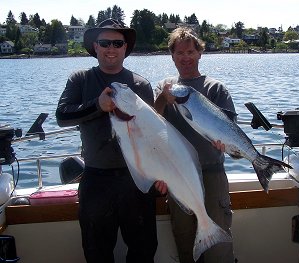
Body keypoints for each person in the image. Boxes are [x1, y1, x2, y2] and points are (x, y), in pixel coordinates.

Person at [56, 18, 166, 263]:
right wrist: (98, 105)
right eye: (105, 42)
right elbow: (62, 116)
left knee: (144, 250)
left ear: (125, 48)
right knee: (96, 252)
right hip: (96, 179)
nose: (111, 48)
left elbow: (154, 135)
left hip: (136, 180)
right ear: (95, 47)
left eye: (117, 42)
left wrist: (161, 173)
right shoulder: (80, 80)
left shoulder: (141, 85)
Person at [154, 27, 236, 263]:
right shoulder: (163, 88)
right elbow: (151, 122)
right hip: (178, 174)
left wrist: (228, 145)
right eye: (180, 53)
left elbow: (230, 128)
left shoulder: (215, 88)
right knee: (185, 240)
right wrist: (162, 99)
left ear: (200, 53)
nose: (186, 57)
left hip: (212, 173)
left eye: (191, 51)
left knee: (219, 247)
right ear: (172, 56)